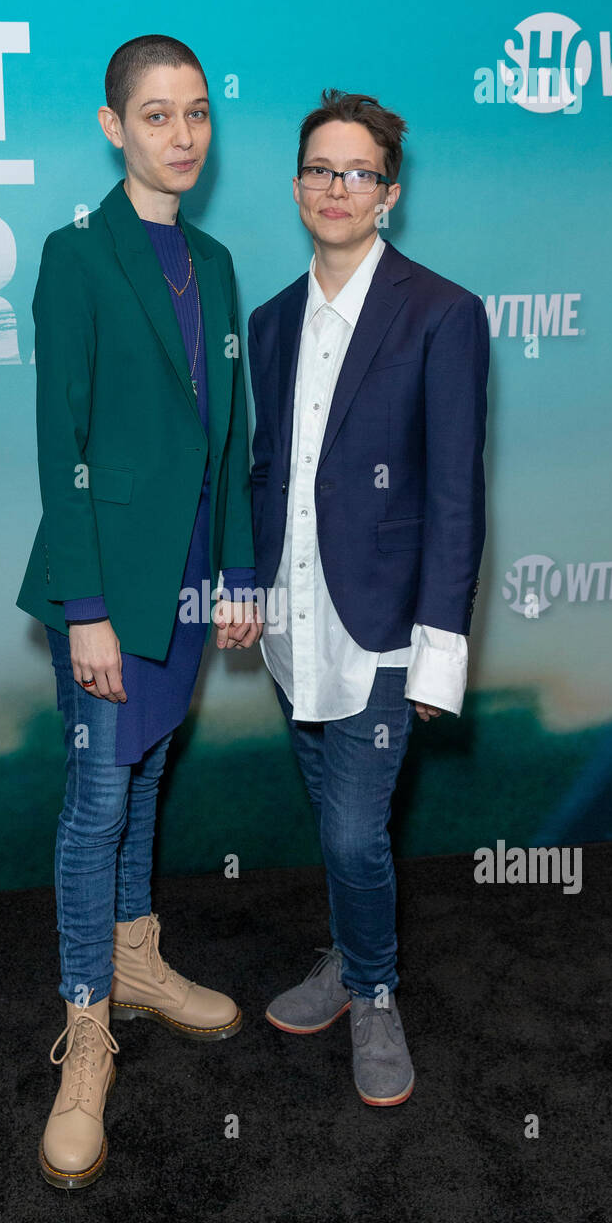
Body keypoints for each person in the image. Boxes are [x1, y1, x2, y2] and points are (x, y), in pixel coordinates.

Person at [16, 35, 261, 1188]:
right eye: (156, 115)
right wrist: (87, 607)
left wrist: (240, 574)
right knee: (96, 802)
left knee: (149, 777)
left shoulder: (213, 262)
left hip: (190, 579)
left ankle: (138, 963)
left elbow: (233, 441)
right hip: (109, 585)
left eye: (197, 113)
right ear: (114, 127)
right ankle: (86, 1033)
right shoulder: (76, 257)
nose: (181, 134)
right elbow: (56, 445)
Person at [248, 89, 489, 1106]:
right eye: (316, 169)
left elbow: (452, 493)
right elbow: (266, 469)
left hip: (384, 627)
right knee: (333, 819)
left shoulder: (441, 312)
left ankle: (375, 987)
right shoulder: (266, 321)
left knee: (354, 833)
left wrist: (439, 651)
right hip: (291, 623)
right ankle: (350, 958)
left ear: (386, 193)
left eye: (355, 173)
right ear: (297, 183)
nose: (332, 189)